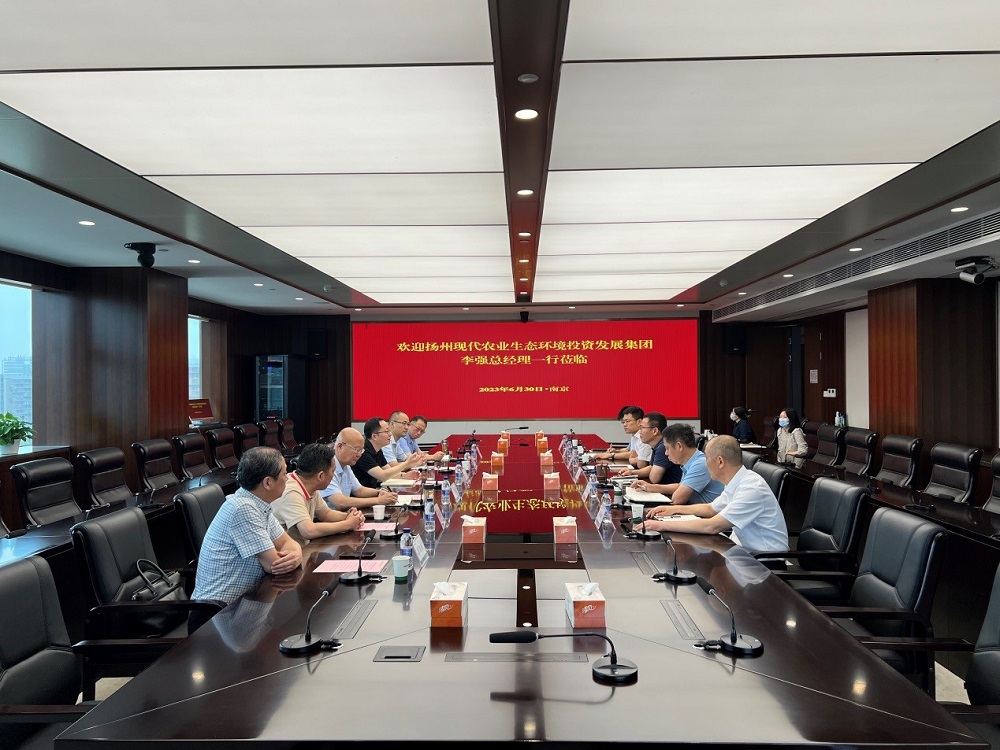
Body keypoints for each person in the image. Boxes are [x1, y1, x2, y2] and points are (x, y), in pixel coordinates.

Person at [192, 446, 303, 606]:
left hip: (247, 601)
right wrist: (296, 555)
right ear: (268, 482)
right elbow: (274, 565)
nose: (288, 479)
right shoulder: (243, 508)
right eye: (285, 474)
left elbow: (287, 542)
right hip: (216, 611)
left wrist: (297, 553)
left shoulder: (258, 504)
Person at [639, 435, 788, 554]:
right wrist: (673, 509)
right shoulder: (737, 480)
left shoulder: (751, 488)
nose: (705, 463)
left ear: (720, 461)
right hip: (740, 550)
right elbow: (711, 509)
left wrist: (661, 525)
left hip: (764, 562)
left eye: (707, 458)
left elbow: (712, 526)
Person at [272, 442, 365, 543]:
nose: (333, 476)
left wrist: (351, 516)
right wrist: (347, 524)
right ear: (320, 476)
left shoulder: (309, 485)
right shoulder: (291, 492)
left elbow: (326, 514)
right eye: (332, 471)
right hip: (289, 551)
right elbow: (308, 531)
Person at [632, 423, 724, 506]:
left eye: (667, 448)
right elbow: (681, 486)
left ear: (679, 446)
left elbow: (677, 499)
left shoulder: (700, 464)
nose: (666, 453)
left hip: (707, 516)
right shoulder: (692, 460)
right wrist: (650, 487)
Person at [321, 427, 399, 510]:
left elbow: (359, 490)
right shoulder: (326, 466)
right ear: (340, 446)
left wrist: (379, 492)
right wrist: (378, 500)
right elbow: (340, 502)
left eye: (361, 451)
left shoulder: (346, 465)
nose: (359, 455)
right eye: (357, 449)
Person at [352, 416, 422, 490]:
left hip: (372, 490)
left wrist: (405, 475)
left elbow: (388, 471)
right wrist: (407, 463)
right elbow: (383, 476)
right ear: (374, 436)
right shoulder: (363, 452)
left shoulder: (378, 449)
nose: (390, 434)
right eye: (386, 431)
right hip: (361, 494)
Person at [617, 412, 681, 484]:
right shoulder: (657, 445)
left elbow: (654, 479)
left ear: (655, 431)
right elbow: (651, 467)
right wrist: (631, 472)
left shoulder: (663, 447)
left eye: (642, 428)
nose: (639, 432)